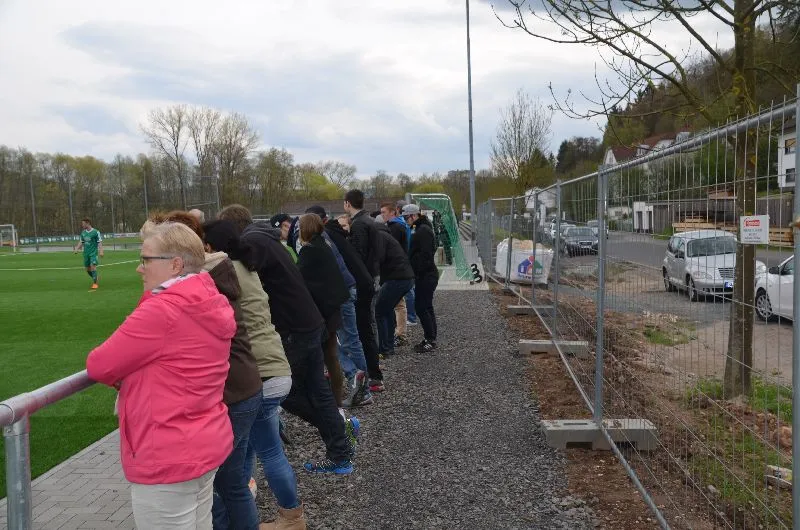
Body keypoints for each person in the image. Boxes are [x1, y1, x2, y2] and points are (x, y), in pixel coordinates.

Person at [86, 222, 234, 529]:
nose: (139, 268)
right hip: (203, 442)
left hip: (169, 454)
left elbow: (99, 365)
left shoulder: (163, 310)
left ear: (175, 264)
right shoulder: (207, 298)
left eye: (146, 259)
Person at [218, 204, 358, 475]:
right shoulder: (264, 239)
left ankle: (339, 431)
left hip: (295, 328)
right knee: (317, 390)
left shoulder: (252, 243)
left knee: (281, 390)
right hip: (309, 322)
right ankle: (340, 452)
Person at [148, 211, 265, 530]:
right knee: (232, 481)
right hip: (245, 386)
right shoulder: (216, 272)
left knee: (223, 484)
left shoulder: (201, 282)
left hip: (235, 391)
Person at [203, 219, 306, 530]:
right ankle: (266, 508)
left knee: (262, 454)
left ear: (211, 246)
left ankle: (290, 516)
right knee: (249, 450)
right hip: (276, 368)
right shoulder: (246, 266)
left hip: (259, 374)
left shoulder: (222, 271)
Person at [295, 214, 350, 408]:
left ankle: (325, 401)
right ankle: (336, 400)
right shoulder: (324, 244)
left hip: (322, 312)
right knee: (332, 356)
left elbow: (299, 279)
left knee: (321, 358)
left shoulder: (309, 251)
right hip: (333, 308)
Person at [321, 210, 374, 407]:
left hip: (342, 294)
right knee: (351, 340)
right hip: (351, 288)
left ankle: (358, 381)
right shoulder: (331, 239)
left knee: (338, 341)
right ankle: (363, 385)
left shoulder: (320, 243)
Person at [343, 190, 385, 391]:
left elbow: (357, 256)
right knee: (368, 325)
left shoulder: (359, 224)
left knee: (364, 328)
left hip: (364, 281)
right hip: (373, 276)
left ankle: (373, 374)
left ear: (347, 203)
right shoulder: (371, 221)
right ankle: (373, 370)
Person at [373, 220, 415, 358]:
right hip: (404, 277)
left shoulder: (379, 236)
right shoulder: (385, 234)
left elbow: (379, 258)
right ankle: (388, 346)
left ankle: (384, 348)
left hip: (397, 278)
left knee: (379, 311)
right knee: (387, 310)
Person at [403, 204, 440, 352]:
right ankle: (431, 337)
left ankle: (430, 339)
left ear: (414, 215)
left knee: (421, 307)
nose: (405, 220)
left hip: (426, 274)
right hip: (425, 273)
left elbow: (426, 254)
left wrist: (417, 270)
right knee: (427, 306)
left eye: (406, 217)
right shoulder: (420, 227)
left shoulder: (423, 230)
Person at [380, 202, 411, 348]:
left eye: (384, 212)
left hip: (397, 271)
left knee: (398, 304)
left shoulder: (395, 228)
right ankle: (398, 333)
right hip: (400, 269)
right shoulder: (399, 226)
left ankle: (400, 334)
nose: (382, 215)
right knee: (397, 304)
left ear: (393, 212)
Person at [395, 200, 418, 326]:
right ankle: (412, 315)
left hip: (408, 259)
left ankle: (412, 317)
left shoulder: (406, 226)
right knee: (410, 288)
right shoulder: (409, 226)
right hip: (409, 258)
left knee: (409, 289)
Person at [73, 218, 104, 289]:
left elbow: (99, 242)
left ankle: (95, 283)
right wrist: (77, 249)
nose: (82, 225)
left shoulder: (96, 232)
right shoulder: (83, 232)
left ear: (88, 223)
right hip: (86, 253)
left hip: (93, 253)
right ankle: (96, 277)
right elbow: (81, 241)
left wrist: (101, 251)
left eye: (83, 224)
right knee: (87, 269)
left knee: (93, 267)